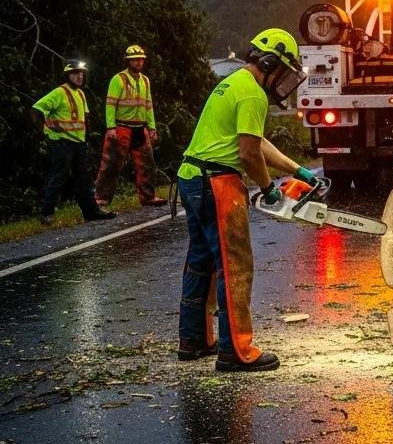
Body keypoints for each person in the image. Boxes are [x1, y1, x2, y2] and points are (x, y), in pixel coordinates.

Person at [176, 28, 319, 373]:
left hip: (192, 176)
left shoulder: (235, 83)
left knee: (202, 261)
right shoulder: (252, 94)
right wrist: (269, 188)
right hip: (217, 182)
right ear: (270, 63)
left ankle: (193, 339)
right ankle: (236, 351)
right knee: (235, 267)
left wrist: (298, 170)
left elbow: (255, 143)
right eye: (283, 72)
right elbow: (248, 154)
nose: (283, 81)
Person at [32, 59, 116, 225]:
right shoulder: (59, 92)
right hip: (62, 143)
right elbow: (36, 110)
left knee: (85, 179)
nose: (79, 76)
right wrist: (45, 131)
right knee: (58, 177)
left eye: (81, 73)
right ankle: (46, 213)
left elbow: (85, 118)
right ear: (67, 75)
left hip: (78, 143)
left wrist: (87, 138)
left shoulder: (80, 93)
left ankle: (91, 212)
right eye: (75, 73)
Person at [94, 44, 167, 207]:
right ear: (128, 61)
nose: (139, 63)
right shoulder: (118, 79)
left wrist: (152, 128)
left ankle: (148, 197)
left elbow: (149, 106)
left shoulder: (145, 81)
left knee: (147, 164)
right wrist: (110, 126)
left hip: (140, 128)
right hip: (121, 127)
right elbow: (110, 104)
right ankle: (101, 197)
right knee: (111, 164)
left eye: (141, 60)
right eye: (135, 60)